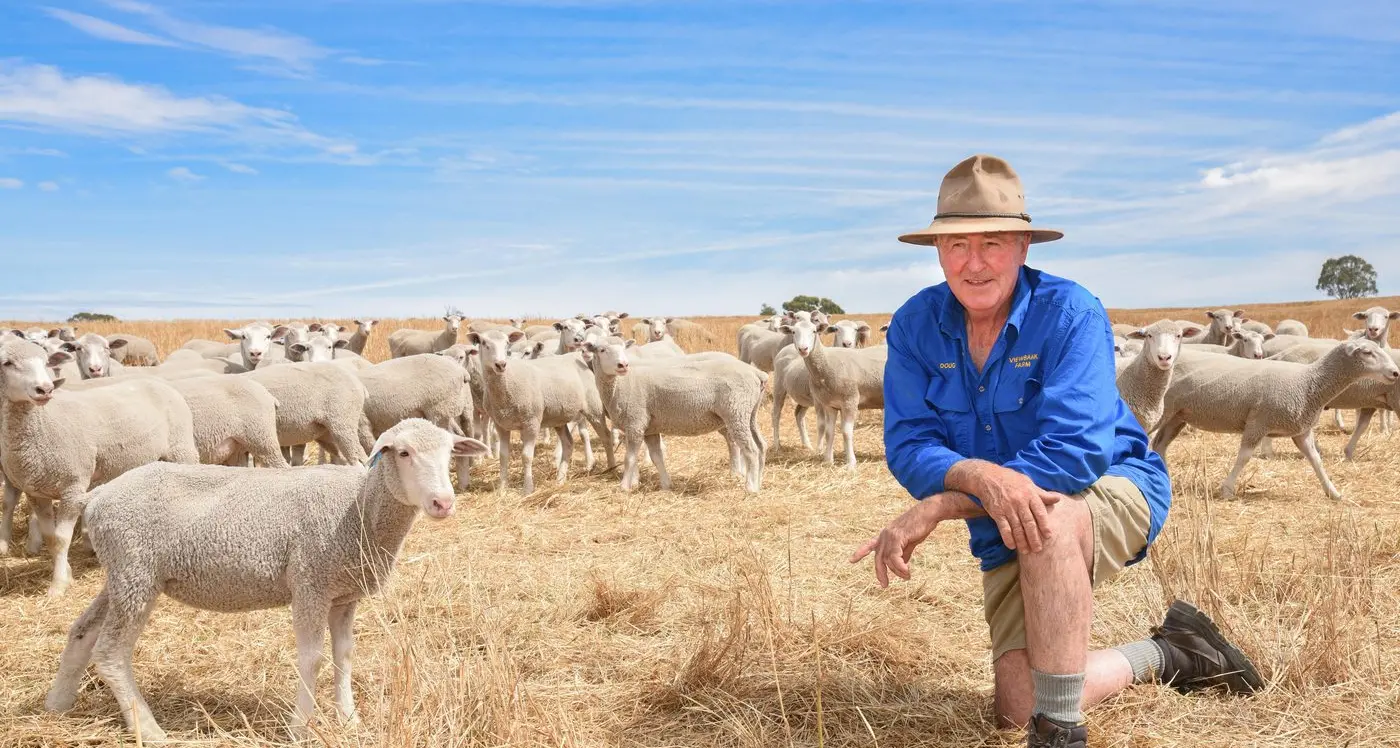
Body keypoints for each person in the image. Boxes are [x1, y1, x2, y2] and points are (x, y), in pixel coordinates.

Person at [850, 154, 1263, 747]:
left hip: (1111, 485)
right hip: (1002, 521)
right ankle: (1171, 652)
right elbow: (910, 442)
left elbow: (1073, 454)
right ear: (937, 252)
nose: (973, 263)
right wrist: (975, 478)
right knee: (1016, 707)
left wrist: (944, 503)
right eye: (955, 246)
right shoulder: (916, 324)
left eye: (992, 242)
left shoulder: (1070, 312)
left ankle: (1062, 733)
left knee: (1048, 514)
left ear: (1022, 245)